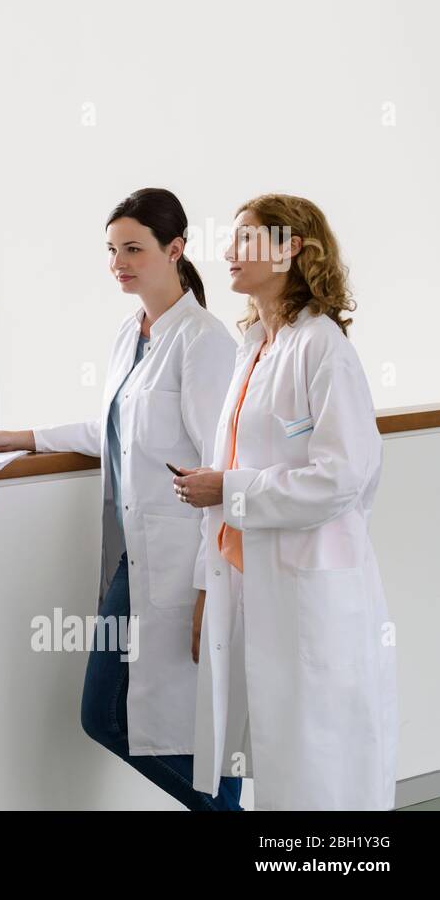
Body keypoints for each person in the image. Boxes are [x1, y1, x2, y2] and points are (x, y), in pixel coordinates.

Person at [0, 189, 241, 809]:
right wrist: (17, 437)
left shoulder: (203, 342)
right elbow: (115, 431)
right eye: (111, 250)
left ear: (175, 249)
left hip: (185, 561)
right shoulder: (133, 333)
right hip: (136, 556)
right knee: (123, 716)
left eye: (133, 248)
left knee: (150, 719)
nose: (119, 263)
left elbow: (222, 471)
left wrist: (212, 583)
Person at [176, 194, 397, 810]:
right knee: (278, 754)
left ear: (290, 248)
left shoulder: (321, 346)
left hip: (310, 588)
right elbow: (235, 464)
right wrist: (204, 578)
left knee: (320, 755)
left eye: (245, 239)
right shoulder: (255, 347)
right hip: (253, 578)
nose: (228, 251)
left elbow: (342, 476)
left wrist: (230, 490)